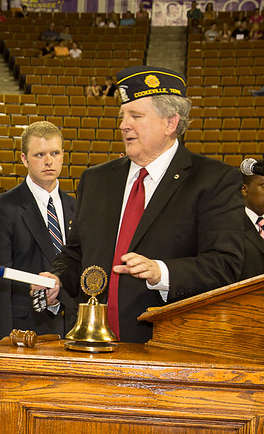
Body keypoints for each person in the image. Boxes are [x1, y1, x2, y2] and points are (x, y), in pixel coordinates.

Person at [43, 65, 244, 344]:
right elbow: (76, 255)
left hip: (167, 348)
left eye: (136, 116)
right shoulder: (96, 179)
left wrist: (161, 272)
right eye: (123, 116)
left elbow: (226, 265)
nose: (124, 125)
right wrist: (56, 280)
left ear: (170, 123)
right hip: (91, 347)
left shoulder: (213, 181)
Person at [0, 120, 76, 434]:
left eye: (54, 153)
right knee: (4, 418)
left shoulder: (76, 206)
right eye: (39, 154)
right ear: (23, 159)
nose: (48, 161)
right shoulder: (3, 207)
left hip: (65, 326)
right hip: (19, 331)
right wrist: (0, 344)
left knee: (58, 415)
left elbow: (83, 266)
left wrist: (62, 291)